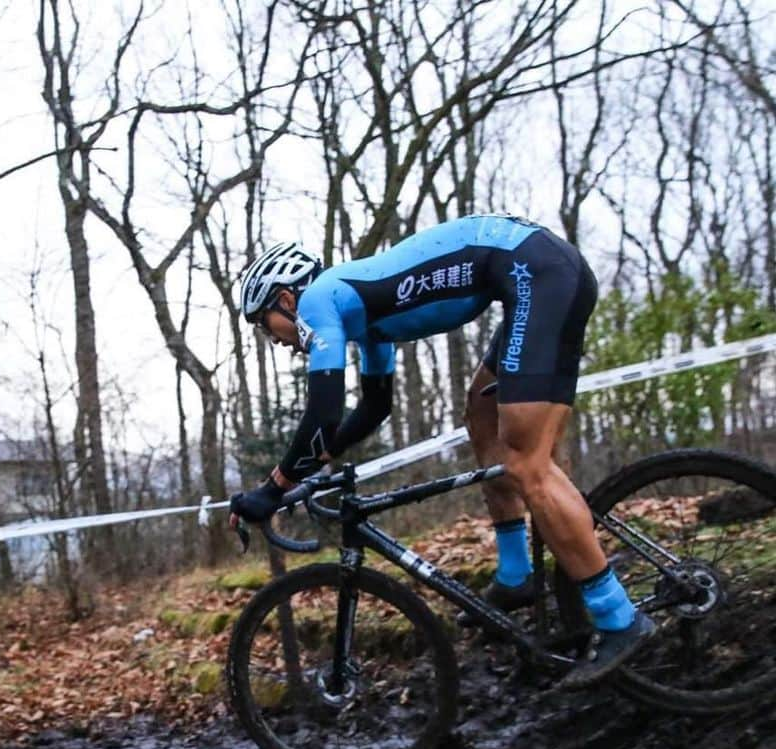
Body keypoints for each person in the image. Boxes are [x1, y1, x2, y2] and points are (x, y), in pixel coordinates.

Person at [228, 215, 654, 688]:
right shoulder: (362, 315)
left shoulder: (319, 300)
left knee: (526, 464)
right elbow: (373, 408)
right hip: (538, 271)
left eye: (268, 326)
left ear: (286, 299)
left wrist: (273, 488)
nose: (277, 342)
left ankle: (618, 618)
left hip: (538, 272)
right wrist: (307, 472)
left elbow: (323, 414)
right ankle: (516, 576)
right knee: (481, 413)